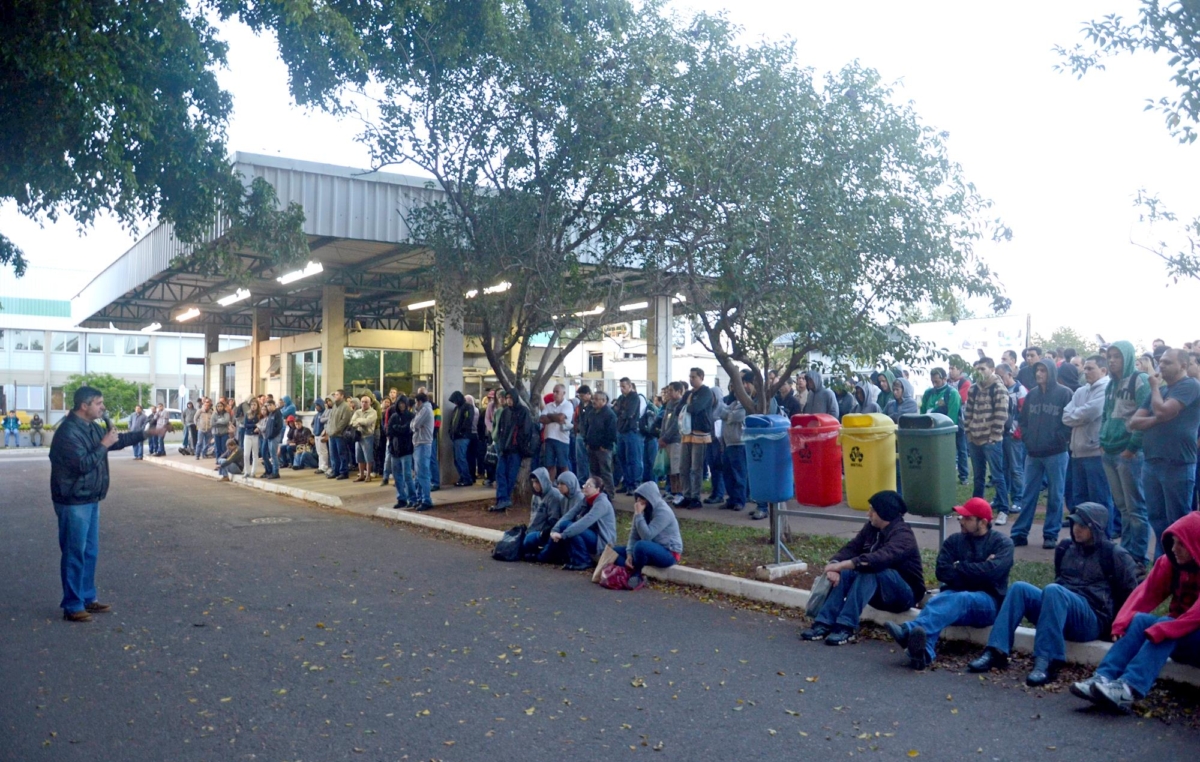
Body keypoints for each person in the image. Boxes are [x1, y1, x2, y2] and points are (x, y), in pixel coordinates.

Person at [969, 503, 1139, 686]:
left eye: (1082, 526)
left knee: (1053, 590)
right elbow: (1060, 578)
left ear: (1096, 527)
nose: (1076, 529)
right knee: (1020, 588)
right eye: (1074, 524)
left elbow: (1133, 593)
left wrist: (1119, 626)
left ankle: (1048, 661)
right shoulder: (1066, 547)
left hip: (1091, 618)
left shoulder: (1114, 554)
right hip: (1059, 607)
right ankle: (996, 651)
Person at [50, 386, 168, 621]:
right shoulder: (68, 432)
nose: (103, 407)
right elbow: (81, 465)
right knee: (75, 553)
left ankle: (87, 597)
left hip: (90, 497)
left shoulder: (90, 426)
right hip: (74, 501)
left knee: (89, 551)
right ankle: (73, 606)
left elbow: (117, 440)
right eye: (99, 403)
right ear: (84, 406)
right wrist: (103, 444)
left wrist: (148, 433)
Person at [1070, 512, 1200, 713]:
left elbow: (1195, 616)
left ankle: (1129, 689)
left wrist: (1164, 629)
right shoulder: (1170, 563)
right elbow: (1145, 593)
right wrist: (1122, 622)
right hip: (1180, 636)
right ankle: (1103, 677)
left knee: (1165, 623)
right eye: (1173, 542)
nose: (1174, 549)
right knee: (1140, 619)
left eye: (1181, 544)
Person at [885, 498, 1014, 669]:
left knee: (961, 598)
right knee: (937, 601)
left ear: (982, 522)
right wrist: (979, 568)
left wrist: (959, 566)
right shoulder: (954, 541)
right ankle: (923, 653)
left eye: (967, 518)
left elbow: (992, 573)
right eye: (960, 517)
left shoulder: (1002, 544)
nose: (961, 521)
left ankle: (908, 630)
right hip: (953, 596)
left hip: (987, 602)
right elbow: (942, 571)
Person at [800, 491, 926, 646]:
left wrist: (843, 564)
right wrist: (835, 565)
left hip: (903, 595)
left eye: (872, 510)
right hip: (877, 593)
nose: (868, 514)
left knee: (871, 570)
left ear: (884, 512)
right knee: (847, 572)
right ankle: (824, 623)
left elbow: (880, 558)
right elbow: (852, 548)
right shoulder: (872, 528)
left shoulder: (903, 535)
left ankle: (846, 627)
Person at [1129, 348, 1200, 560]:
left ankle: (1184, 568)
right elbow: (1134, 422)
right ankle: (1165, 564)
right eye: (1161, 362)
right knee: (1156, 518)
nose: (1161, 366)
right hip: (1152, 462)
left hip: (1177, 463)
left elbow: (1160, 410)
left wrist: (1154, 391)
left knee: (1177, 521)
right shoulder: (1158, 392)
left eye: (1168, 362)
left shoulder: (1190, 386)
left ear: (1183, 366)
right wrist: (1159, 418)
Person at [1009, 359, 1073, 549]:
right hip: (1033, 453)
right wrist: (1028, 439)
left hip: (1056, 453)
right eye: (1037, 370)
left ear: (1051, 372)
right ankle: (1020, 533)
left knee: (1055, 494)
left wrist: (1058, 439)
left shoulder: (1064, 393)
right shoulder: (1032, 395)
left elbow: (1069, 422)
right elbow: (1023, 420)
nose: (1039, 374)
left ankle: (1050, 534)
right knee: (1028, 494)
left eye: (1043, 371)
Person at [1100, 341, 1150, 569]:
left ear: (1127, 357)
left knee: (1136, 507)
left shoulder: (1139, 380)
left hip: (1128, 452)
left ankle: (1138, 556)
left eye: (1117, 356)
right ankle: (1126, 551)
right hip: (1109, 450)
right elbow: (1106, 415)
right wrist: (1102, 440)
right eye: (1109, 356)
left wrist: (1132, 447)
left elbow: (1146, 414)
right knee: (1122, 506)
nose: (1111, 360)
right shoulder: (1111, 384)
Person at [1064, 355, 1115, 526]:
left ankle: (1104, 539)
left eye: (1090, 368)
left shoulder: (1107, 388)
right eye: (1084, 368)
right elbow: (1065, 416)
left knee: (1100, 499)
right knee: (1080, 500)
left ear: (1103, 370)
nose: (1085, 372)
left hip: (1095, 453)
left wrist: (1076, 415)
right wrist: (1079, 415)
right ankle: (1083, 540)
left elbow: (1090, 412)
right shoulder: (1081, 391)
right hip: (1077, 453)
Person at [612, 482, 684, 587]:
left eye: (642, 499)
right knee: (615, 552)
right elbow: (634, 534)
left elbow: (647, 536)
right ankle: (630, 573)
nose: (639, 502)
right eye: (637, 498)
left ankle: (637, 575)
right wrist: (629, 554)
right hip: (649, 548)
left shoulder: (663, 512)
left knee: (641, 545)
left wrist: (639, 515)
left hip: (669, 552)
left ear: (651, 499)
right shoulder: (642, 510)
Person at [963, 357, 1009, 517]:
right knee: (978, 477)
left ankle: (1003, 509)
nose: (980, 372)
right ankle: (975, 509)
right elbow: (968, 412)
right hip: (974, 438)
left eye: (983, 369)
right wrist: (968, 432)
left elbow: (1001, 413)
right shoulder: (973, 388)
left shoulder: (998, 387)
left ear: (992, 369)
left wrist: (994, 436)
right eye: (977, 369)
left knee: (997, 476)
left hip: (991, 440)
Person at [547, 476, 618, 571]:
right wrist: (554, 530)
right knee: (565, 524)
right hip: (591, 534)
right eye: (585, 484)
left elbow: (585, 522)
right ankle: (572, 558)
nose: (584, 487)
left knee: (573, 528)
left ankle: (584, 561)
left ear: (597, 489)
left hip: (603, 541)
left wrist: (563, 535)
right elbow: (569, 515)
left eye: (589, 486)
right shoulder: (586, 500)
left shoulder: (602, 503)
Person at [490, 390, 532, 512]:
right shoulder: (505, 412)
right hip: (504, 449)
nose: (508, 400)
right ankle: (502, 498)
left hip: (515, 450)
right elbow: (501, 430)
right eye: (506, 397)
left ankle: (505, 499)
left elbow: (526, 431)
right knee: (500, 473)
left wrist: (519, 445)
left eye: (510, 398)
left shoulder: (523, 412)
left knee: (510, 475)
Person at [679, 368, 715, 509]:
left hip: (700, 433)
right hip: (687, 433)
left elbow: (696, 408)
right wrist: (687, 405)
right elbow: (678, 409)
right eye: (690, 376)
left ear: (701, 377)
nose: (691, 379)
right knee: (683, 466)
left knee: (696, 467)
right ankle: (686, 495)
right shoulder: (688, 393)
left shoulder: (706, 392)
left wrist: (687, 405)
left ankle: (696, 497)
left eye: (694, 377)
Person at [995, 362, 1026, 520]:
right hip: (1001, 434)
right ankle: (1001, 498)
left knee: (1015, 468)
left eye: (1001, 376)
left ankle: (1017, 499)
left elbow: (1024, 413)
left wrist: (1018, 431)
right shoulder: (1000, 390)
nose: (999, 379)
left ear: (1009, 374)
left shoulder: (1020, 390)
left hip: (1014, 435)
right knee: (1002, 467)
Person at [718, 373, 750, 515]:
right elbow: (721, 412)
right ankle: (731, 498)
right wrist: (729, 413)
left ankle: (740, 500)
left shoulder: (746, 403)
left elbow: (735, 416)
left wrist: (729, 414)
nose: (734, 390)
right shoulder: (733, 403)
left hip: (739, 443)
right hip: (728, 443)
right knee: (728, 473)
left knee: (739, 474)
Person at [522, 467, 567, 560]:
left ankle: (540, 556)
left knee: (527, 542)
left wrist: (542, 533)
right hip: (534, 529)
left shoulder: (554, 495)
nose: (535, 485)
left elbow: (554, 520)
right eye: (533, 482)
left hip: (546, 531)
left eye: (537, 482)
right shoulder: (535, 495)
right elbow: (533, 515)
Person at [584, 390, 618, 499]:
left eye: (597, 399)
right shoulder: (592, 413)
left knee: (605, 472)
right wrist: (587, 442)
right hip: (592, 447)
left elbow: (611, 432)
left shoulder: (609, 414)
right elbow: (587, 428)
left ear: (604, 400)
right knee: (594, 472)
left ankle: (609, 494)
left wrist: (605, 445)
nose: (594, 401)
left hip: (603, 448)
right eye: (593, 398)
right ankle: (595, 492)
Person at [540, 383, 574, 480]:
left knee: (563, 465)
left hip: (561, 439)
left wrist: (550, 416)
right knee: (549, 465)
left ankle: (568, 485)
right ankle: (550, 487)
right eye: (553, 391)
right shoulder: (549, 405)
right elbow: (542, 419)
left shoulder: (568, 405)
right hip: (549, 438)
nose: (554, 394)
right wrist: (555, 417)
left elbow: (560, 418)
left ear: (564, 393)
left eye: (557, 392)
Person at [386, 396, 416, 508]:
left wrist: (396, 428)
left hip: (407, 450)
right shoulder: (393, 416)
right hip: (394, 450)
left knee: (407, 475)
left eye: (403, 403)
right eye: (400, 403)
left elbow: (408, 430)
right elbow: (388, 431)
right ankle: (401, 498)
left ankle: (412, 498)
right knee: (397, 476)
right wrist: (400, 429)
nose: (401, 405)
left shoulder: (411, 416)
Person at [658, 381, 684, 503]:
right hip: (666, 440)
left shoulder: (681, 404)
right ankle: (671, 491)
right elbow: (664, 421)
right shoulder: (669, 404)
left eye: (671, 390)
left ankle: (679, 492)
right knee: (669, 468)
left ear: (679, 391)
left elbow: (675, 424)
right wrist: (662, 436)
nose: (669, 393)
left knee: (676, 468)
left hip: (675, 440)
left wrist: (666, 437)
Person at [411, 392, 435, 510]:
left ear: (419, 401)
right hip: (419, 444)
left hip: (423, 444)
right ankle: (420, 498)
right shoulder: (421, 411)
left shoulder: (425, 410)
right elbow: (414, 425)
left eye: (415, 402)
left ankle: (426, 500)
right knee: (418, 474)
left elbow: (415, 424)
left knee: (423, 474)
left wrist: (414, 426)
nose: (415, 404)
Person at [447, 390, 477, 487]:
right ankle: (463, 477)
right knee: (457, 459)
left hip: (462, 437)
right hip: (456, 437)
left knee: (461, 458)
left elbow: (468, 420)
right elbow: (452, 421)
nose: (455, 403)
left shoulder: (468, 407)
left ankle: (467, 478)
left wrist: (461, 431)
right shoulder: (457, 408)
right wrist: (451, 431)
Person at [949, 362, 972, 484]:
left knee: (962, 448)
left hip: (961, 420)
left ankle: (964, 476)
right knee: (948, 448)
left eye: (953, 368)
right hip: (948, 419)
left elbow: (960, 399)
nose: (950, 370)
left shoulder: (965, 383)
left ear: (960, 369)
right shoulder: (947, 382)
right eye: (949, 367)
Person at [326, 390, 352, 481]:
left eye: (337, 394)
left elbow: (344, 421)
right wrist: (328, 430)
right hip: (332, 434)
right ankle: (335, 470)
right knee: (333, 454)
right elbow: (330, 419)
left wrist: (336, 430)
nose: (335, 396)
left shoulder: (345, 407)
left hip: (340, 435)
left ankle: (343, 472)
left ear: (342, 396)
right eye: (335, 394)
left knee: (342, 453)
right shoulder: (334, 406)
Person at [261, 400, 285, 480]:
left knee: (274, 455)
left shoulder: (277, 413)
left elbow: (279, 427)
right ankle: (272, 471)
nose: (269, 407)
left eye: (270, 405)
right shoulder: (271, 414)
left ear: (274, 405)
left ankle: (275, 472)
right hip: (270, 437)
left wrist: (272, 435)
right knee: (271, 455)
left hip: (274, 437)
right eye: (267, 406)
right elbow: (268, 427)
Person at [242, 398, 262, 478]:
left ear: (257, 406)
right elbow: (245, 425)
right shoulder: (248, 414)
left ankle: (253, 472)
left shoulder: (259, 414)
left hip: (255, 435)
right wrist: (254, 425)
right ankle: (247, 471)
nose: (253, 406)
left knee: (255, 454)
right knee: (246, 454)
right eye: (252, 405)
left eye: (255, 405)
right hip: (247, 435)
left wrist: (257, 426)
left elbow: (260, 424)